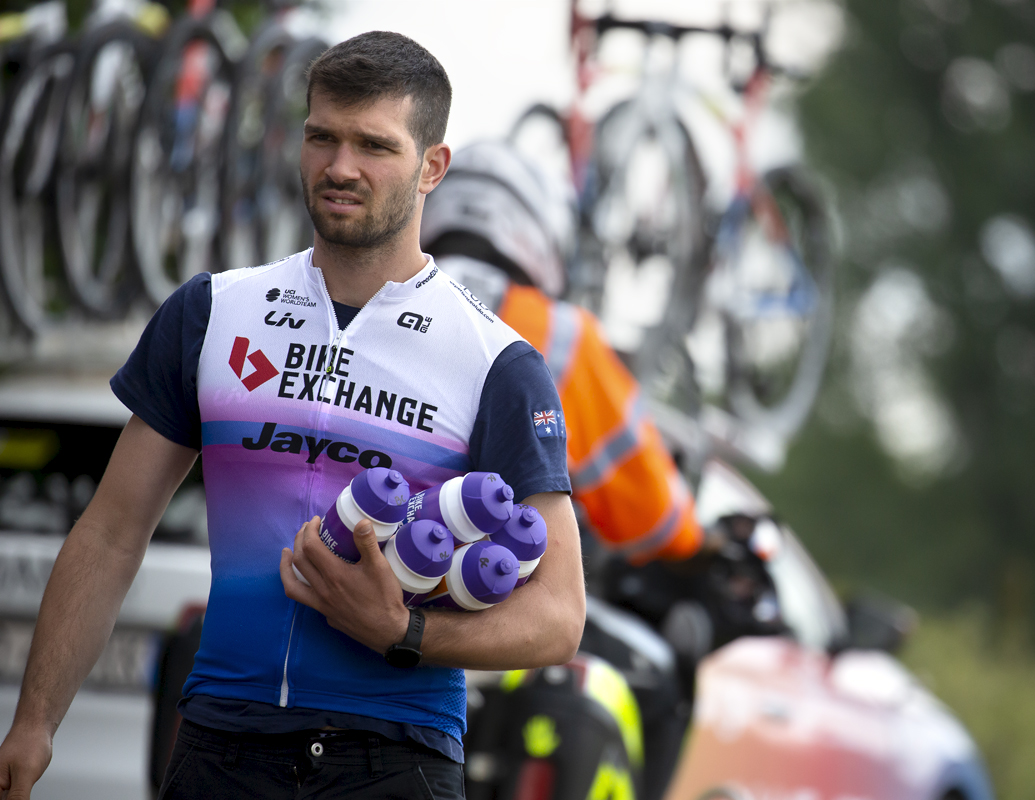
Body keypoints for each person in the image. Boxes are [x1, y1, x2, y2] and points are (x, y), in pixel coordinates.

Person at [0, 31, 586, 800]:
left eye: (374, 145)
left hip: (395, 757)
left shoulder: (497, 361)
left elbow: (558, 617)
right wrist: (34, 724)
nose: (341, 167)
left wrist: (405, 633)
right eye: (322, 138)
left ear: (431, 167)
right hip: (221, 746)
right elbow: (111, 532)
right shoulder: (212, 312)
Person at [420, 140, 704, 564]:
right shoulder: (563, 336)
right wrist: (696, 542)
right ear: (536, 231)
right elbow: (655, 522)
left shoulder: (370, 295)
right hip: (472, 599)